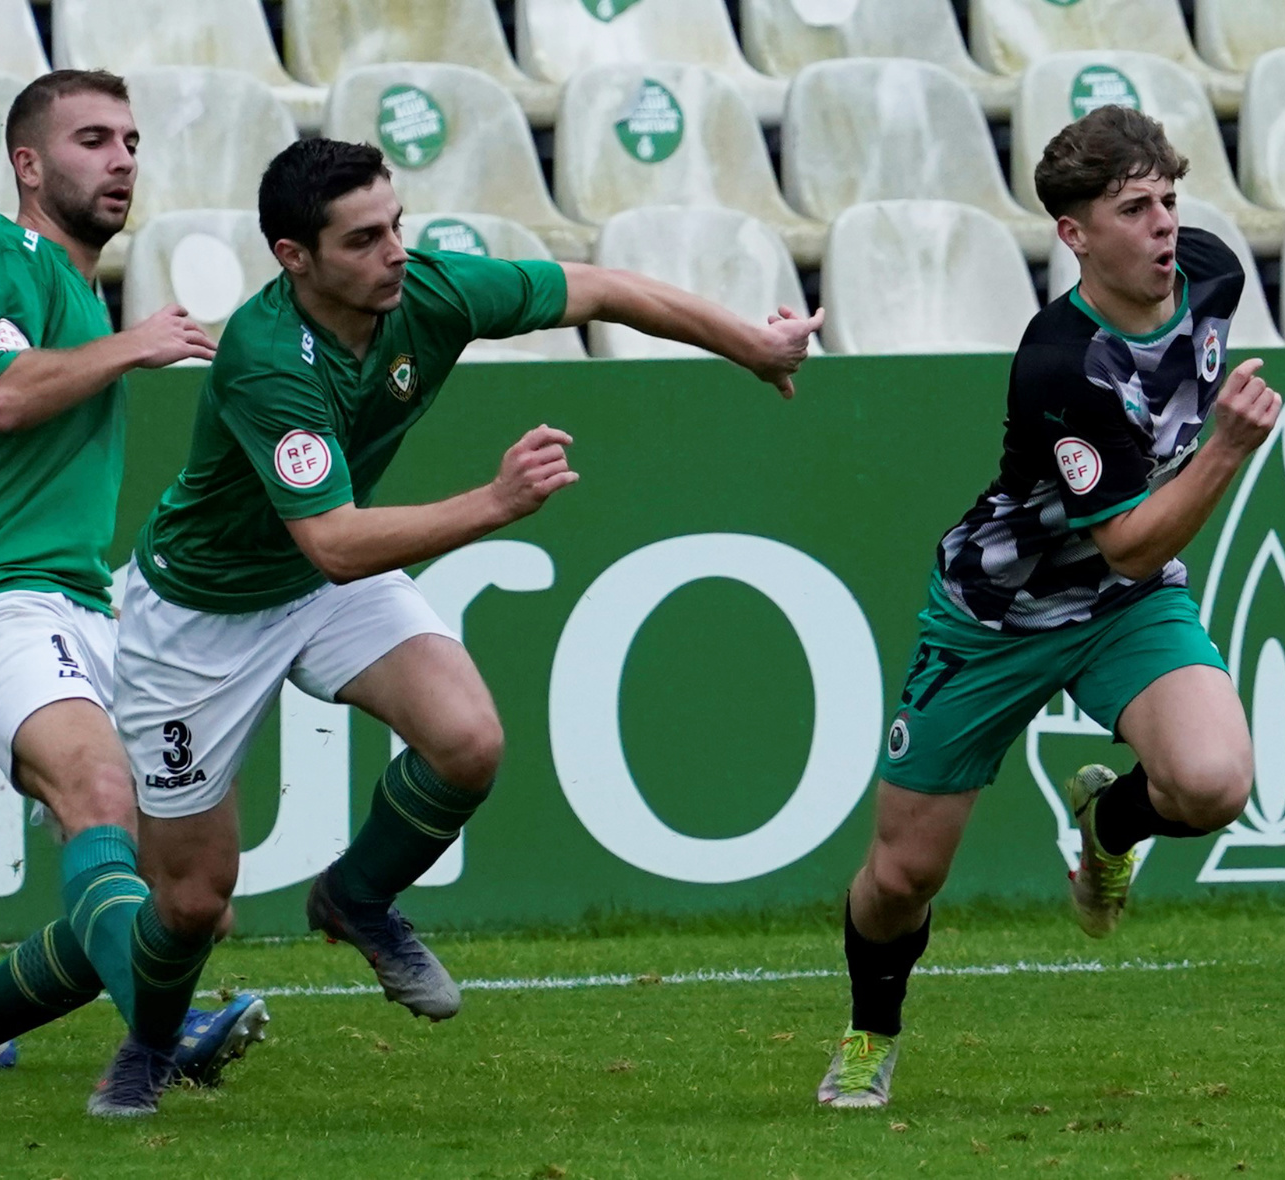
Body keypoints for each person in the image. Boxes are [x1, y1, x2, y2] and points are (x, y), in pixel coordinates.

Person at [95, 137, 821, 1115]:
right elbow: (340, 542)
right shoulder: (267, 361)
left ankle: (355, 898)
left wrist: (753, 345)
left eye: (396, 224)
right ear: (293, 256)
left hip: (318, 583)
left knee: (467, 741)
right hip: (202, 614)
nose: (394, 251)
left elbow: (595, 286)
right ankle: (145, 1050)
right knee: (192, 898)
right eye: (363, 239)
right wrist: (496, 501)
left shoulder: (427, 291)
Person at [817, 105, 1281, 1110]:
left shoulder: (1211, 272)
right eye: (1132, 208)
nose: (1163, 225)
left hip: (1124, 606)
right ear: (1073, 234)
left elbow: (1128, 565)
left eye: (1167, 199)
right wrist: (1227, 451)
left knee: (1211, 782)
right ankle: (868, 1033)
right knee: (902, 877)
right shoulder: (1060, 364)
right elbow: (1129, 535)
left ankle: (1105, 825)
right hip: (995, 615)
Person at [0, 70, 267, 1100]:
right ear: (29, 165)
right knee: (98, 796)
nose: (123, 158)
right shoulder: (9, 258)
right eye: (93, 139)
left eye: (131, 139)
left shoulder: (80, 290)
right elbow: (0, 397)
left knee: (187, 898)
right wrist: (139, 344)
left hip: (86, 605)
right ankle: (166, 1041)